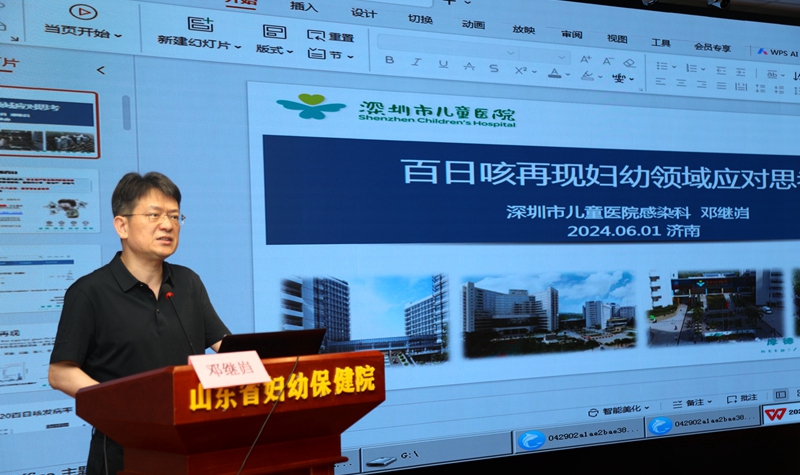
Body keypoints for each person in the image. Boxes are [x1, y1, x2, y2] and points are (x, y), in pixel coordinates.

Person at [48, 172, 230, 475]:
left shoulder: (188, 282)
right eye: (154, 215)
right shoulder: (90, 292)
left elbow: (226, 347)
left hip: (189, 450)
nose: (168, 225)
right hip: (124, 454)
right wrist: (128, 409)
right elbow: (60, 373)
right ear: (122, 225)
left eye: (175, 216)